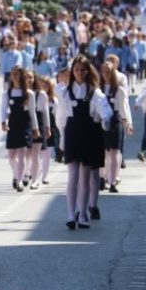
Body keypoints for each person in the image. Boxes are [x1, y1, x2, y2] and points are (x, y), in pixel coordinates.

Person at [56, 55, 112, 229]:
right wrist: (62, 138)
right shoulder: (65, 91)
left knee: (86, 175)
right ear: (72, 71)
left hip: (90, 134)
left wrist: (105, 120)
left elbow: (105, 110)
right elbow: (61, 116)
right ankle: (71, 214)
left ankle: (83, 213)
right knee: (73, 174)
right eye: (77, 69)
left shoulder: (95, 91)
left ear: (88, 72)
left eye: (83, 70)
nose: (80, 73)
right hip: (72, 133)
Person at [1, 67, 38, 192]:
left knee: (22, 154)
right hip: (13, 124)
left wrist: (35, 128)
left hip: (25, 124)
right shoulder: (7, 93)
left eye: (17, 74)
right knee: (11, 156)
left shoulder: (29, 93)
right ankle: (16, 175)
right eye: (13, 74)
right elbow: (4, 108)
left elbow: (32, 112)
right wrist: (3, 121)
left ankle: (20, 180)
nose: (15, 76)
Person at [100, 62, 132, 194]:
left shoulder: (119, 90)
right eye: (104, 71)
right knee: (102, 154)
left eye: (109, 71)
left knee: (114, 153)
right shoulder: (97, 89)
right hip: (101, 123)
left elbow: (124, 108)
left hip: (115, 123)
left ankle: (112, 181)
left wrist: (128, 123)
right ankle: (102, 177)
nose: (106, 74)